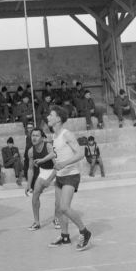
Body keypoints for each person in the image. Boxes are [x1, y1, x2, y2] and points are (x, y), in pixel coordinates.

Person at [46, 106, 92, 250]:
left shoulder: (67, 134)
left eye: (51, 115)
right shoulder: (54, 136)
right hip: (60, 176)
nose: (48, 117)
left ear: (58, 119)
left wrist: (64, 164)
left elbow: (80, 154)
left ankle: (84, 232)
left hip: (71, 175)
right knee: (59, 208)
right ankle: (65, 236)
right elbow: (58, 153)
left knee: (65, 207)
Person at [24, 127, 58, 231]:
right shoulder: (31, 151)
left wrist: (49, 180)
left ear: (42, 138)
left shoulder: (48, 146)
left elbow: (57, 166)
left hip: (55, 171)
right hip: (43, 172)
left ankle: (57, 218)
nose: (34, 138)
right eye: (32, 135)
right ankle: (37, 222)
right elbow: (30, 169)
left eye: (37, 135)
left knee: (59, 197)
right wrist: (28, 184)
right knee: (35, 195)